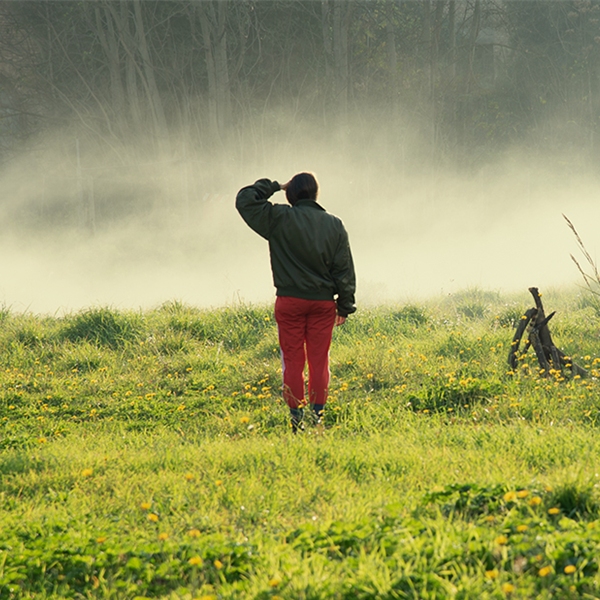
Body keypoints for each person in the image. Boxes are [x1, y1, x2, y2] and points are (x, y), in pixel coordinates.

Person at [236, 172, 356, 432]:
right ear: (316, 194)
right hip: (323, 304)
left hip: (289, 301)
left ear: (291, 194)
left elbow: (245, 200)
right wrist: (345, 305)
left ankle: (296, 418)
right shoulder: (334, 224)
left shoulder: (278, 218)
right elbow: (344, 270)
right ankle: (318, 416)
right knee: (319, 360)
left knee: (292, 359)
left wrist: (275, 186)